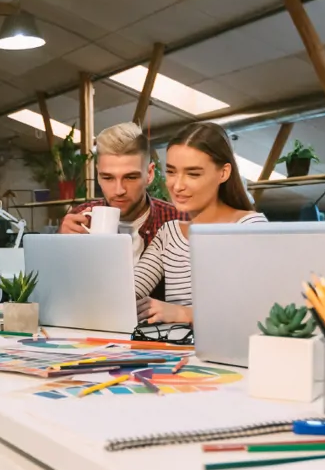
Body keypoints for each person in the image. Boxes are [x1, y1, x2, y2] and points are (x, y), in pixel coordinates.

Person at [132, 122, 267, 325]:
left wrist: (184, 314)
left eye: (193, 174)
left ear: (224, 173)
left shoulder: (249, 227)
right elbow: (129, 293)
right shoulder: (169, 233)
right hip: (176, 351)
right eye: (171, 172)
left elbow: (258, 311)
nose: (177, 185)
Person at [59, 121, 187, 261]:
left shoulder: (178, 221)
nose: (119, 190)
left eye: (130, 177)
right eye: (108, 178)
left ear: (149, 174)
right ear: (98, 175)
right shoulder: (79, 219)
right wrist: (59, 244)